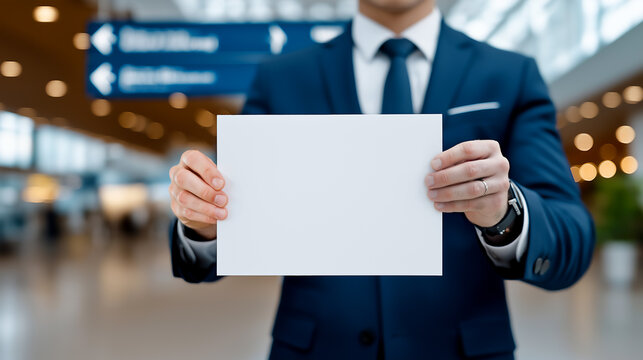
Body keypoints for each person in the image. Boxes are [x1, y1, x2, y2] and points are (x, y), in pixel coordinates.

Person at [167, 0, 595, 358]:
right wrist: (203, 219)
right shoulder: (282, 79)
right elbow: (224, 210)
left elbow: (570, 237)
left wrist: (503, 214)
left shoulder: (509, 75)